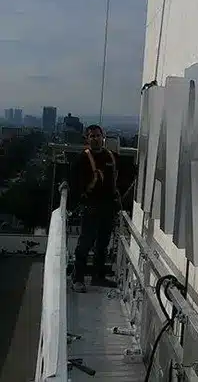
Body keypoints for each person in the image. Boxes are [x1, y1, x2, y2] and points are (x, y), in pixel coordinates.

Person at [69, 124, 121, 293]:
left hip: (108, 207)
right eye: (92, 136)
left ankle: (98, 277)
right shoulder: (83, 159)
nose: (95, 139)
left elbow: (124, 175)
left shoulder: (111, 157)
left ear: (102, 137)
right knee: (85, 243)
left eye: (98, 135)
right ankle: (78, 279)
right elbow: (72, 179)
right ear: (87, 139)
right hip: (91, 207)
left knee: (102, 244)